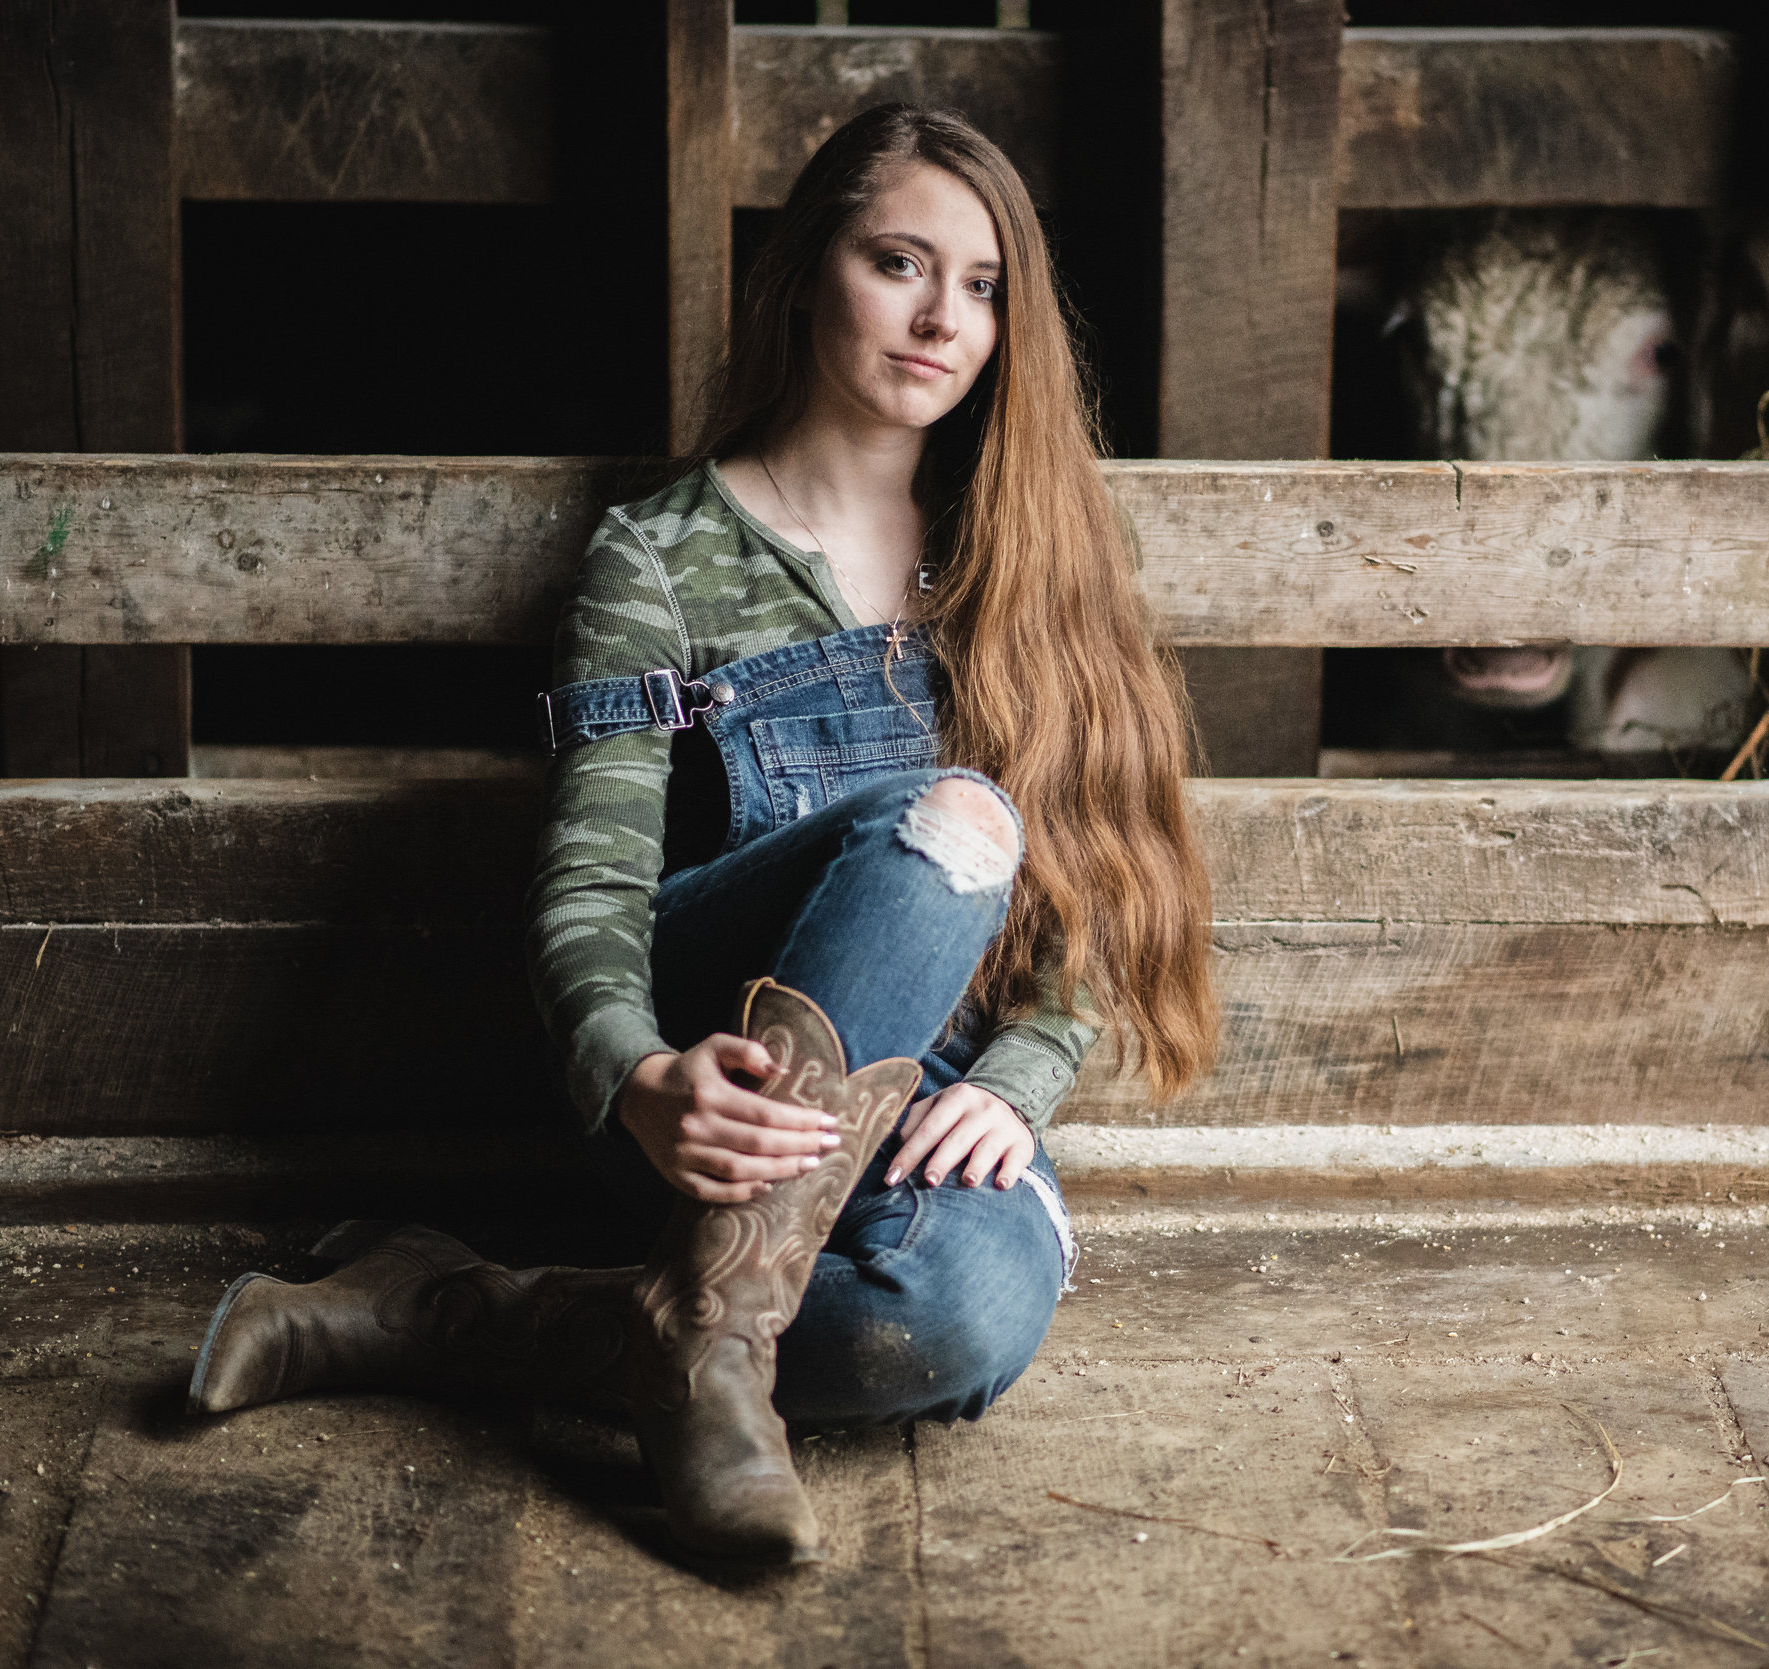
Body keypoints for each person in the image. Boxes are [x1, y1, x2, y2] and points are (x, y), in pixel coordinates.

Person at [182, 104, 1219, 1567]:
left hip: (913, 1102)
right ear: (808, 273)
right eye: (900, 263)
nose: (943, 317)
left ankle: (516, 1314)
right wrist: (637, 1077)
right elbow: (591, 896)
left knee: (960, 1322)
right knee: (956, 818)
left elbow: (1098, 880)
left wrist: (1028, 1072)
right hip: (710, 1096)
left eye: (982, 286)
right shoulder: (654, 558)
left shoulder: (1020, 553)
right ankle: (700, 1327)